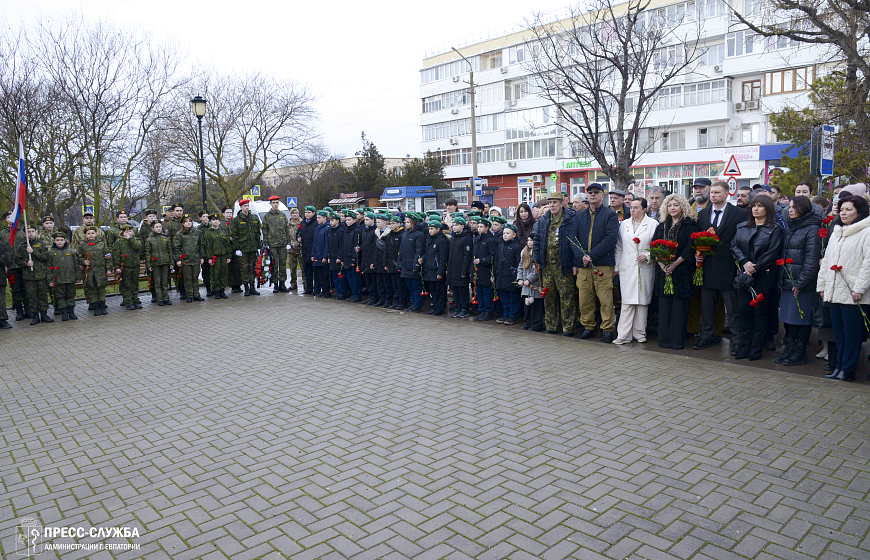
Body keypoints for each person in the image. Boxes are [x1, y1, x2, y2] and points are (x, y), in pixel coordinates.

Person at [817, 195, 870, 381]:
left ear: (860, 211)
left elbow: (868, 264)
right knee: (839, 335)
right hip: (834, 292)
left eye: (849, 209)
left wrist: (859, 289)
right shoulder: (837, 232)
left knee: (852, 336)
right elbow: (826, 262)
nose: (843, 212)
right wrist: (822, 286)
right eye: (841, 209)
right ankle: (839, 367)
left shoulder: (866, 232)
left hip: (854, 294)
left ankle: (848, 370)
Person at [693, 180, 749, 351]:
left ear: (727, 194)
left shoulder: (738, 213)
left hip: (729, 267)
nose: (713, 195)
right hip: (707, 267)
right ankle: (707, 336)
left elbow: (743, 239)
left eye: (717, 192)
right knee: (707, 306)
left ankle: (738, 341)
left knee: (732, 308)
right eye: (712, 192)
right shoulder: (702, 215)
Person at [731, 195, 784, 360]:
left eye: (760, 206)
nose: (755, 209)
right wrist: (744, 262)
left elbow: (773, 253)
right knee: (743, 312)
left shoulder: (775, 229)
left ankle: (756, 350)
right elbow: (734, 246)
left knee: (760, 313)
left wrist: (754, 267)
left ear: (767, 209)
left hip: (763, 276)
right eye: (754, 206)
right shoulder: (742, 226)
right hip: (744, 275)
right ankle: (743, 347)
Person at [775, 195, 822, 366]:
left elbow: (811, 260)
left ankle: (800, 352)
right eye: (790, 207)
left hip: (802, 284)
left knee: (802, 319)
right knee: (790, 318)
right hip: (789, 281)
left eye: (794, 207)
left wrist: (800, 283)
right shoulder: (791, 227)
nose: (790, 210)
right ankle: (791, 349)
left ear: (803, 209)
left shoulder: (812, 229)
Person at [652, 194, 699, 350]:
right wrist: (662, 265)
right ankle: (664, 340)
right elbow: (654, 246)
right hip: (663, 272)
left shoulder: (689, 224)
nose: (672, 208)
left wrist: (675, 264)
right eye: (669, 205)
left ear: (683, 207)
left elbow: (690, 247)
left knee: (679, 308)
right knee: (664, 307)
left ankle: (676, 342)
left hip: (681, 271)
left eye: (676, 205)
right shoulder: (661, 225)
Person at [573, 184, 619, 342]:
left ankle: (607, 329)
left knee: (605, 299)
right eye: (590, 193)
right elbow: (573, 239)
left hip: (602, 264)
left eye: (596, 192)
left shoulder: (610, 215)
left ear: (602, 195)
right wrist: (582, 257)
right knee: (585, 299)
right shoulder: (579, 216)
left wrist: (591, 256)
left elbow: (611, 239)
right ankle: (588, 327)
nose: (593, 195)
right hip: (584, 266)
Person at [533, 192, 579, 336]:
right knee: (549, 296)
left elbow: (577, 242)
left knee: (567, 297)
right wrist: (538, 260)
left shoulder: (571, 218)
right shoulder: (544, 219)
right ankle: (551, 325)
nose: (552, 205)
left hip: (563, 265)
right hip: (547, 265)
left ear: (563, 202)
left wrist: (575, 263)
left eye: (555, 202)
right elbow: (537, 241)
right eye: (550, 202)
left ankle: (568, 327)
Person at [613, 198, 657, 344]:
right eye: (631, 207)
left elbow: (656, 247)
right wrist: (617, 267)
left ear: (644, 209)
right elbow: (619, 246)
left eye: (636, 207)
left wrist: (648, 256)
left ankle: (640, 333)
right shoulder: (624, 224)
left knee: (642, 302)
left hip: (644, 267)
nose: (632, 210)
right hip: (627, 267)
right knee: (627, 302)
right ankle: (623, 334)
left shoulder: (653, 224)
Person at [16, 224, 53, 324]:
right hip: (29, 275)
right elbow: (17, 260)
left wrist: (33, 252)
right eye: (28, 232)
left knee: (42, 295)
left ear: (36, 232)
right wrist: (26, 263)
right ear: (24, 234)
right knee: (32, 296)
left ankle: (44, 315)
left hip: (40, 274)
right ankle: (35, 316)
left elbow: (45, 257)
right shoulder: (22, 245)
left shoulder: (41, 243)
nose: (30, 233)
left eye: (32, 231)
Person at [72, 210, 106, 312]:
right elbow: (74, 248)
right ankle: (91, 302)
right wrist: (79, 262)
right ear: (83, 219)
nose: (89, 220)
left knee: (99, 283)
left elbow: (104, 246)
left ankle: (100, 302)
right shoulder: (77, 231)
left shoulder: (99, 231)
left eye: (91, 218)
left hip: (98, 263)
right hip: (85, 262)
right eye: (87, 218)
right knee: (88, 283)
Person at [77, 225, 113, 315]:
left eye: (92, 233)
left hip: (100, 271)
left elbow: (107, 257)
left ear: (96, 234)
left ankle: (102, 306)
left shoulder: (102, 244)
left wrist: (109, 268)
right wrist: (83, 261)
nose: (91, 235)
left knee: (101, 289)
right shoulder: (82, 245)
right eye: (88, 233)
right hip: (89, 272)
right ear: (85, 235)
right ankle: (95, 307)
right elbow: (78, 256)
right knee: (92, 289)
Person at [230, 199, 262, 296]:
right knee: (244, 269)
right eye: (245, 206)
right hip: (242, 249)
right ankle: (246, 288)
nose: (247, 207)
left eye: (248, 205)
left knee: (252, 268)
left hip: (252, 248)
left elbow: (257, 234)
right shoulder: (236, 220)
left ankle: (252, 287)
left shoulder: (254, 218)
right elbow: (234, 235)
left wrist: (259, 246)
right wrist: (237, 249)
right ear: (241, 207)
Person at [494, 223, 522, 325]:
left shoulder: (517, 247)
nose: (505, 235)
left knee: (513, 298)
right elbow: (496, 261)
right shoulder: (500, 246)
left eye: (508, 233)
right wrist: (495, 274)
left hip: (511, 277)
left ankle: (513, 316)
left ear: (514, 235)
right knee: (504, 297)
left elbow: (519, 262)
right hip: (501, 276)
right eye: (504, 233)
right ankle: (505, 314)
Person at [261, 196, 291, 293]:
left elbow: (287, 230)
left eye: (277, 202)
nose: (275, 204)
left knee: (283, 264)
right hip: (272, 244)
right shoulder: (267, 216)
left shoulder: (283, 215)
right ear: (270, 204)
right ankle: (275, 284)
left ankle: (282, 283)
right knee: (274, 265)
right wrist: (266, 243)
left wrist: (288, 242)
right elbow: (264, 230)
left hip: (282, 244)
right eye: (273, 203)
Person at [398, 213, 427, 312]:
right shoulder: (405, 234)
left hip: (413, 265)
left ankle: (417, 304)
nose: (405, 224)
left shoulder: (419, 234)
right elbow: (401, 251)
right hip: (405, 265)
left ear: (413, 222)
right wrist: (400, 263)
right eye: (405, 222)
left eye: (408, 222)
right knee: (409, 286)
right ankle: (412, 303)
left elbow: (419, 251)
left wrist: (416, 265)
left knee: (416, 286)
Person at [174, 215, 205, 303]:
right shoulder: (179, 234)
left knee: (195, 278)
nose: (188, 223)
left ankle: (196, 294)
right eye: (186, 221)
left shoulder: (197, 232)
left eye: (190, 221)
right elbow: (177, 247)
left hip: (195, 259)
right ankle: (189, 295)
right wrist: (179, 259)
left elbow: (201, 245)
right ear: (183, 224)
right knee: (187, 279)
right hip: (186, 260)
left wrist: (202, 257)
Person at [48, 232, 79, 321]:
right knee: (60, 296)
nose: (60, 242)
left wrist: (78, 276)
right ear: (54, 241)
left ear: (65, 241)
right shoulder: (51, 253)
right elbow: (49, 267)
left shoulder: (71, 251)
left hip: (70, 278)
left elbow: (76, 265)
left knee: (71, 295)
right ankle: (64, 313)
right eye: (57, 240)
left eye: (62, 240)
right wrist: (50, 280)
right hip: (58, 278)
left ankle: (71, 312)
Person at [471, 217, 498, 321]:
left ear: (487, 228)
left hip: (486, 270)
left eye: (481, 227)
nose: (479, 229)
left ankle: (488, 311)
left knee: (487, 292)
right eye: (478, 227)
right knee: (479, 292)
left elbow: (492, 256)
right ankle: (481, 310)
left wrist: (482, 260)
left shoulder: (490, 240)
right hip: (478, 271)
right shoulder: (477, 239)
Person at [447, 216, 473, 318]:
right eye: (453, 225)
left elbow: (467, 256)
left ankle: (464, 308)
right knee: (455, 290)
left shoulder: (466, 238)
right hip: (453, 269)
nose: (454, 227)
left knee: (463, 291)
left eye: (457, 225)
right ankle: (457, 307)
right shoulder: (453, 238)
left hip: (461, 269)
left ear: (462, 226)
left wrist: (464, 271)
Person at [422, 218, 449, 316]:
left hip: (437, 269)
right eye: (429, 228)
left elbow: (443, 257)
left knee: (439, 291)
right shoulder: (429, 238)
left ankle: (440, 308)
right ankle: (435, 307)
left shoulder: (441, 240)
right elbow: (428, 253)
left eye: (432, 228)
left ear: (438, 229)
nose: (430, 231)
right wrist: (423, 259)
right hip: (429, 269)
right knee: (433, 291)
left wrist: (440, 272)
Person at [112, 225, 143, 310]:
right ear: (122, 233)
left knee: (135, 284)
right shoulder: (119, 242)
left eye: (130, 231)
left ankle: (135, 300)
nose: (128, 233)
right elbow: (116, 255)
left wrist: (130, 239)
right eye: (126, 232)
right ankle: (128, 301)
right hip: (125, 266)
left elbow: (137, 247)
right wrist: (117, 266)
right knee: (126, 285)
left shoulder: (136, 240)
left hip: (135, 265)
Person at [517, 236, 544, 331]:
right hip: (526, 284)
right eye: (528, 240)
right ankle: (527, 322)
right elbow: (520, 266)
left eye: (531, 240)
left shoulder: (538, 253)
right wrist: (520, 278)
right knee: (527, 305)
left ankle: (536, 324)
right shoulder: (524, 252)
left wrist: (529, 279)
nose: (529, 242)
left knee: (536, 306)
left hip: (535, 284)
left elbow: (538, 269)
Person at [203, 213, 231, 299]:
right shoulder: (208, 233)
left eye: (217, 219)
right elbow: (207, 246)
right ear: (210, 221)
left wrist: (228, 256)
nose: (216, 221)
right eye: (213, 220)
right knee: (215, 274)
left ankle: (222, 290)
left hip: (223, 256)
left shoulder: (222, 232)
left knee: (223, 274)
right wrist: (209, 258)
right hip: (215, 256)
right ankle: (216, 291)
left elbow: (227, 245)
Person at [145, 221, 173, 306]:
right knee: (157, 282)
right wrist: (149, 265)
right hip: (155, 263)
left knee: (165, 281)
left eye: (160, 227)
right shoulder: (149, 239)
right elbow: (148, 253)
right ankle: (160, 299)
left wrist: (171, 262)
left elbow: (170, 251)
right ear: (152, 228)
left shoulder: (165, 238)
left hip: (165, 262)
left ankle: (166, 298)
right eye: (156, 227)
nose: (158, 228)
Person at [341, 211, 363, 302]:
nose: (347, 222)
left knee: (355, 278)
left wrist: (355, 259)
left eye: (349, 220)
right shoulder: (346, 230)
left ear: (354, 220)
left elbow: (356, 245)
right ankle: (353, 293)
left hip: (353, 258)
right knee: (350, 278)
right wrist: (342, 258)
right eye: (346, 220)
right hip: (346, 257)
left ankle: (357, 295)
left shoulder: (357, 230)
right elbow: (343, 245)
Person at [386, 215, 406, 309]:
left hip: (398, 263)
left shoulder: (402, 234)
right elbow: (386, 250)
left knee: (400, 284)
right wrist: (385, 263)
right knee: (394, 284)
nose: (392, 225)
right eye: (391, 223)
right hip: (391, 263)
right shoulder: (389, 235)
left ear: (399, 224)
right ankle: (397, 301)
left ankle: (402, 302)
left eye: (394, 223)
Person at [360, 212, 379, 304]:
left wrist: (373, 260)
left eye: (368, 220)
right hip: (365, 257)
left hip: (371, 258)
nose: (365, 222)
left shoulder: (375, 231)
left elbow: (375, 247)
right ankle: (370, 296)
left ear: (373, 220)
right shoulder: (364, 230)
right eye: (365, 220)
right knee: (367, 279)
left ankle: (374, 297)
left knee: (373, 280)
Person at [297, 205, 317, 294]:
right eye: (306, 212)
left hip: (313, 251)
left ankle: (316, 289)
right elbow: (298, 233)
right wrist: (298, 237)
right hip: (305, 251)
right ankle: (308, 288)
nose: (307, 214)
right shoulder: (302, 223)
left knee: (315, 272)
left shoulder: (316, 222)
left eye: (309, 212)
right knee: (307, 272)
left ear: (313, 213)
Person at [223, 205, 243, 293]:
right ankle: (233, 285)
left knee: (237, 267)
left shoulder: (234, 222)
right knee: (230, 268)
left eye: (230, 212)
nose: (229, 214)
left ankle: (238, 284)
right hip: (227, 248)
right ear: (223, 214)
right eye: (227, 212)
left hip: (235, 247)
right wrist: (228, 238)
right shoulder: (221, 224)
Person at [311, 210, 330, 297]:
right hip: (316, 255)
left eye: (319, 218)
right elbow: (314, 243)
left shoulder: (327, 228)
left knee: (324, 275)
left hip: (322, 256)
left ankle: (326, 292)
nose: (317, 219)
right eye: (317, 218)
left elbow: (327, 244)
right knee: (318, 275)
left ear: (325, 218)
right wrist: (312, 254)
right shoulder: (317, 228)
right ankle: (319, 290)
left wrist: (325, 256)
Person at [327, 212, 344, 299]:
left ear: (337, 221)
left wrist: (339, 257)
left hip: (337, 257)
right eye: (330, 220)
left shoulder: (340, 230)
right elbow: (330, 245)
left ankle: (341, 292)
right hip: (332, 256)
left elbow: (341, 245)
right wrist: (329, 256)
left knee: (339, 276)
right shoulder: (331, 230)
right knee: (334, 276)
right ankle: (338, 292)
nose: (331, 222)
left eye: (333, 220)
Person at [287, 208, 302, 290]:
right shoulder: (288, 224)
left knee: (303, 267)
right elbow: (286, 235)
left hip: (300, 248)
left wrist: (297, 243)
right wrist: (290, 244)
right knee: (292, 267)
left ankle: (305, 283)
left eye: (296, 213)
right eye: (293, 213)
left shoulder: (302, 223)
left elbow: (303, 234)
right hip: (291, 249)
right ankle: (293, 283)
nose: (295, 215)